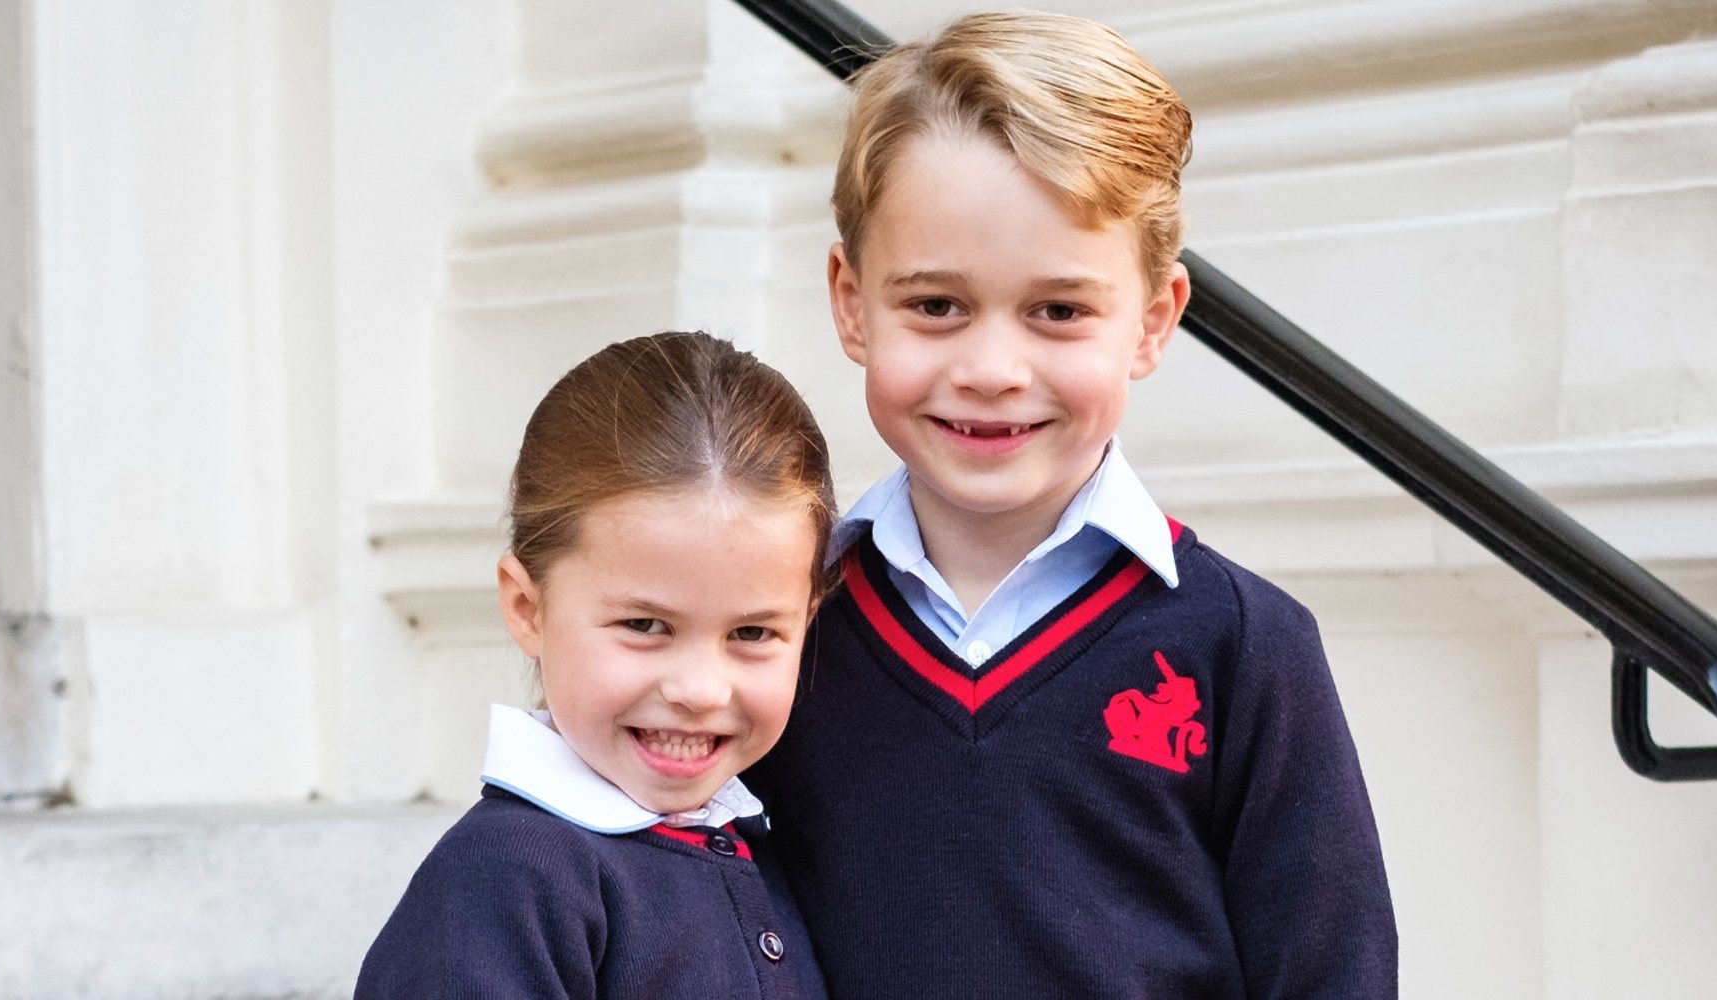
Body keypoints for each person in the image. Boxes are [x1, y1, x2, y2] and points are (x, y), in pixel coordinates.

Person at [746, 12, 1399, 998]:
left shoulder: (1242, 645)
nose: (991, 370)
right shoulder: (778, 629)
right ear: (850, 301)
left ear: (1151, 320)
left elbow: (1329, 974)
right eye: (935, 305)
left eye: (1056, 311)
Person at [357, 332, 835, 1000]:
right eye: (644, 626)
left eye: (753, 632)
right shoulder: (503, 882)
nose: (699, 689)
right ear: (528, 607)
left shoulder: (765, 839)